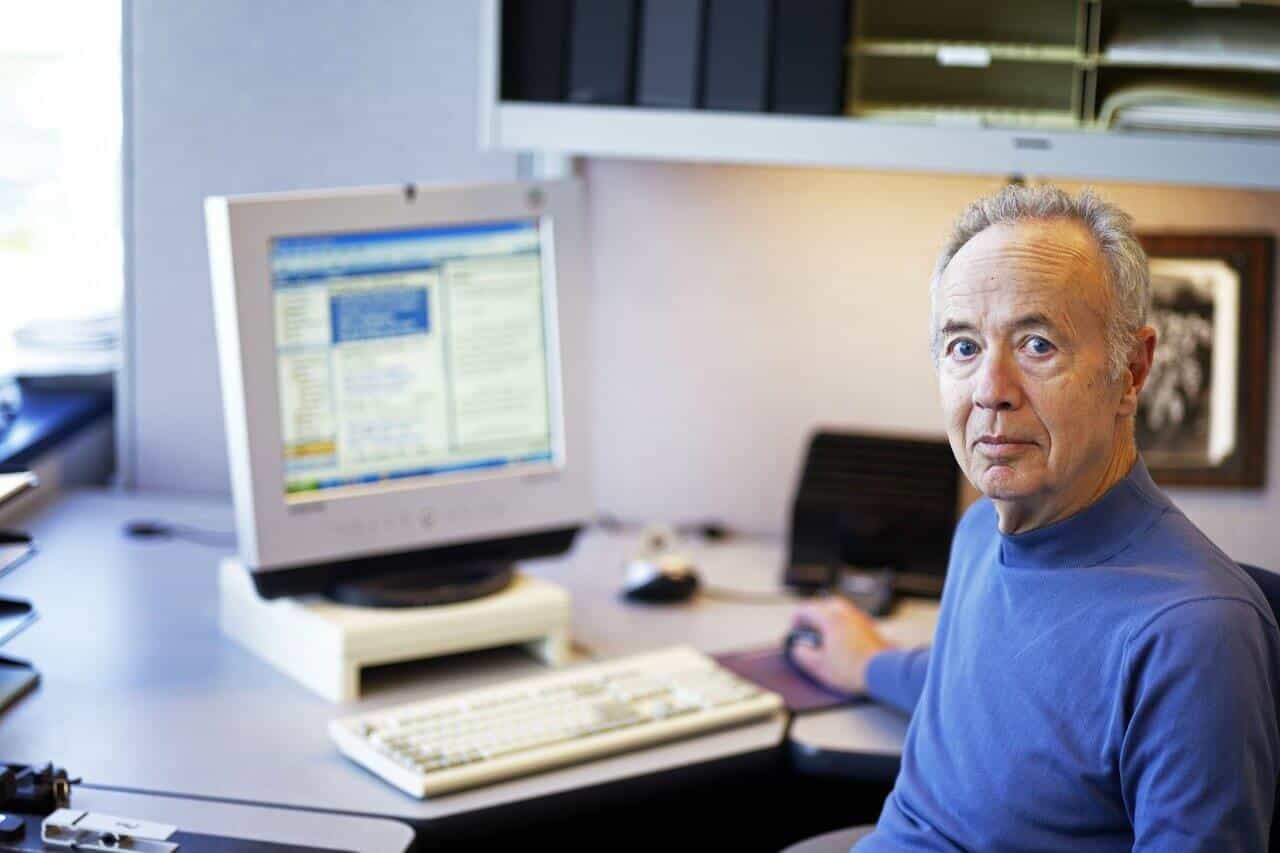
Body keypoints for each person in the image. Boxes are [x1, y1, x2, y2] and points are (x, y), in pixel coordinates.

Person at [791, 185, 1280, 851]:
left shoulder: (1195, 634)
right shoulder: (979, 534)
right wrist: (868, 663)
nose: (991, 390)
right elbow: (987, 691)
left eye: (1037, 344)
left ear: (1131, 372)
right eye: (963, 347)